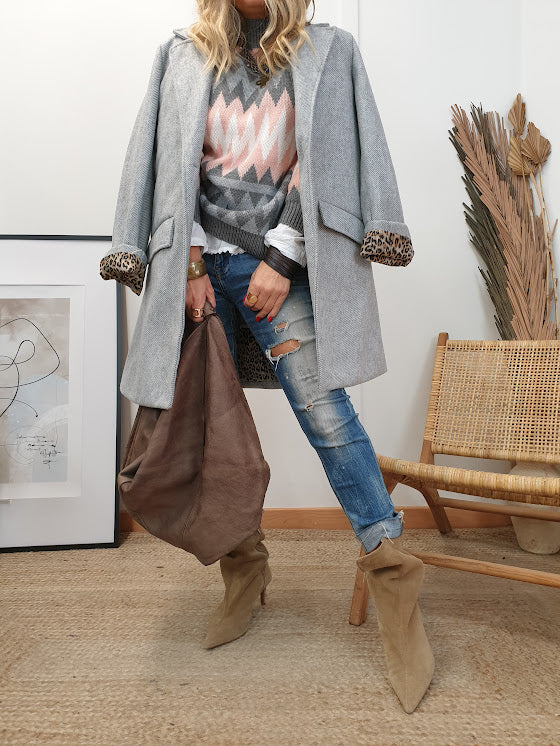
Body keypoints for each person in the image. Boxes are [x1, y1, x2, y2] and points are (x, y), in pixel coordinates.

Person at [100, 0, 433, 713]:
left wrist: (281, 259)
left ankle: (394, 578)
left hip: (283, 267)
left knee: (327, 416)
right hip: (200, 268)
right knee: (206, 421)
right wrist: (190, 265)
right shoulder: (182, 54)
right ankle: (243, 567)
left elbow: (331, 157)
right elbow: (166, 163)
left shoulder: (329, 50)